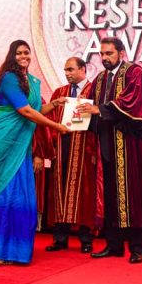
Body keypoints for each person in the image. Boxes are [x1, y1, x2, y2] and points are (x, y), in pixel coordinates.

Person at [0, 40, 69, 265]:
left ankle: (12, 250)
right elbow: (26, 111)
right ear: (12, 56)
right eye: (18, 53)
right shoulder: (9, 78)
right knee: (2, 194)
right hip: (1, 139)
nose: (23, 56)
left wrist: (55, 104)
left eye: (26, 52)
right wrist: (56, 126)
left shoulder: (33, 81)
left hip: (19, 144)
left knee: (20, 197)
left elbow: (36, 110)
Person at [78, 37, 142, 264]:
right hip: (107, 144)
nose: (104, 58)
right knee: (111, 197)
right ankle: (114, 245)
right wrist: (80, 107)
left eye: (109, 53)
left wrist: (100, 109)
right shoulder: (100, 79)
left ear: (121, 53)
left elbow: (132, 102)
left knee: (133, 196)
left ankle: (137, 248)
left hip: (130, 145)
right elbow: (91, 106)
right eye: (102, 54)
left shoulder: (134, 73)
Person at [42, 57, 97, 254]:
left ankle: (86, 239)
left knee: (84, 194)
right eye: (65, 70)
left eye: (71, 69)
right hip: (61, 148)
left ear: (83, 69)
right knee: (59, 192)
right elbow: (47, 120)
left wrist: (95, 151)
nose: (67, 73)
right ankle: (60, 238)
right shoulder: (60, 93)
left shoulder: (94, 90)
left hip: (84, 150)